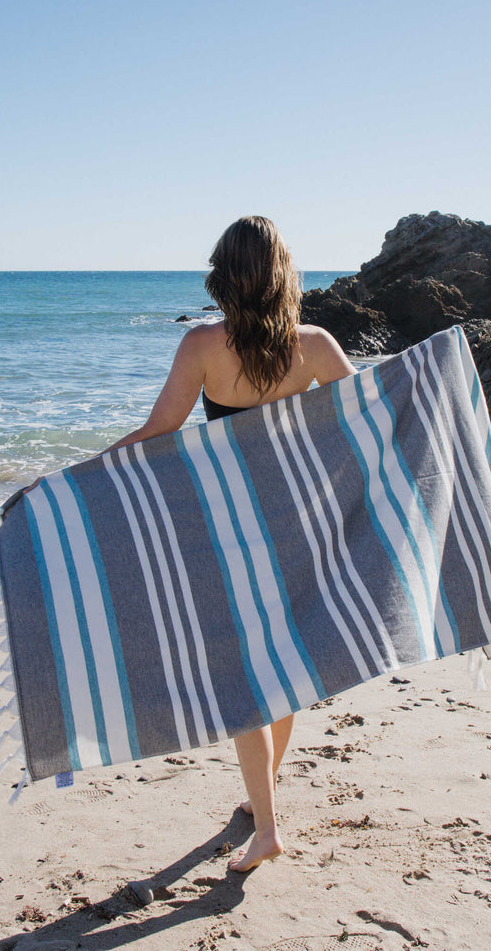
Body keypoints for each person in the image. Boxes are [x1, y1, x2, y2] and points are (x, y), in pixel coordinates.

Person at [105, 216, 357, 873]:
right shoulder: (315, 345)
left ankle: (266, 828)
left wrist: (89, 471)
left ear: (224, 276)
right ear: (282, 274)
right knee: (281, 666)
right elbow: (370, 420)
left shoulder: (201, 345)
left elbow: (159, 430)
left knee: (246, 678)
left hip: (232, 529)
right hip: (298, 526)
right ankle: (261, 795)